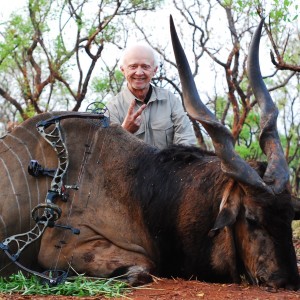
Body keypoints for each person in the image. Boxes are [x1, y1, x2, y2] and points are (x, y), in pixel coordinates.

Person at [106, 43, 196, 149]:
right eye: (133, 66)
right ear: (123, 70)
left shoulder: (170, 100)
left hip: (169, 165)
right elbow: (107, 152)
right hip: (132, 166)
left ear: (154, 70)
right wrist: (125, 131)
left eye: (145, 66)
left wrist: (175, 163)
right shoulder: (113, 108)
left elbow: (186, 139)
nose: (139, 72)